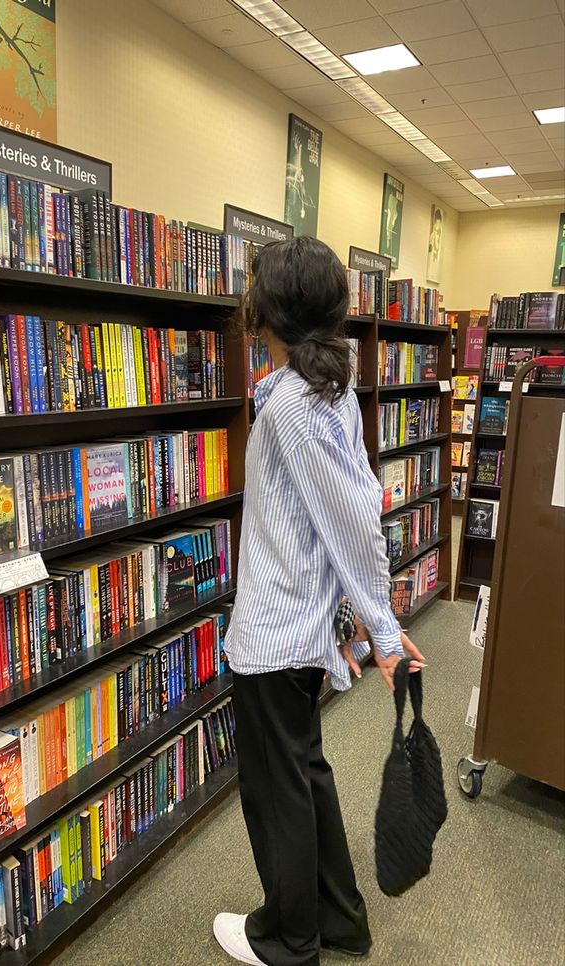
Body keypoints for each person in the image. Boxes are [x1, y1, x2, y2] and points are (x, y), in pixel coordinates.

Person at [212, 236, 425, 966]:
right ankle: (341, 921)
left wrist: (385, 636)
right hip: (299, 631)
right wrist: (364, 628)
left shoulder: (293, 409)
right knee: (306, 775)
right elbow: (344, 516)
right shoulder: (325, 394)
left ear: (267, 311)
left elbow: (352, 520)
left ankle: (289, 940)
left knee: (279, 793)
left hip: (274, 637)